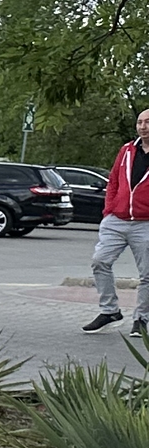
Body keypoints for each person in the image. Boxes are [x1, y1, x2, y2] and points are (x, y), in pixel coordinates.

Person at [86, 106, 149, 333]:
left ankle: (141, 319)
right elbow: (113, 180)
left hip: (145, 223)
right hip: (117, 220)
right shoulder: (126, 151)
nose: (143, 126)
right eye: (140, 122)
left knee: (147, 275)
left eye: (148, 122)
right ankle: (110, 310)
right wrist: (109, 209)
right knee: (100, 261)